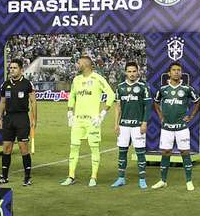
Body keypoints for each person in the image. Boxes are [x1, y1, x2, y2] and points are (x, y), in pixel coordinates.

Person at [63, 55, 115, 186]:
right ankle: (71, 176)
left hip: (92, 121)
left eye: (79, 63)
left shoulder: (97, 78)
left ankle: (93, 177)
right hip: (78, 121)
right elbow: (72, 96)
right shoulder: (76, 79)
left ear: (86, 64)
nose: (77, 65)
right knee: (73, 147)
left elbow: (111, 94)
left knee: (94, 148)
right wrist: (70, 112)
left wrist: (102, 113)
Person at [152, 62, 199, 190]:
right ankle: (163, 180)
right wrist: (161, 116)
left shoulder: (187, 89)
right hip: (166, 127)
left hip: (182, 127)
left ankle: (189, 181)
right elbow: (155, 102)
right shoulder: (163, 89)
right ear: (169, 73)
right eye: (174, 70)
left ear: (181, 72)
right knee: (166, 152)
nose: (176, 72)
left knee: (185, 152)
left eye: (179, 70)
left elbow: (197, 101)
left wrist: (191, 116)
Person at [0, 58, 36, 185]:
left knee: (23, 148)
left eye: (15, 68)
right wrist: (0, 118)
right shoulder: (5, 84)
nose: (12, 70)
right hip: (8, 119)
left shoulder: (27, 84)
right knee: (6, 148)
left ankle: (27, 177)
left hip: (22, 118)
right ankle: (4, 176)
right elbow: (2, 102)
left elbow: (33, 101)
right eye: (11, 68)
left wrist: (34, 119)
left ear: (21, 70)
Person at [112, 61, 150, 188]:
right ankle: (121, 178)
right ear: (125, 72)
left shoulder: (143, 87)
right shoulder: (120, 87)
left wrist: (144, 122)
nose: (132, 74)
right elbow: (117, 107)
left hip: (138, 125)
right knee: (122, 151)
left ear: (138, 71)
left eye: (134, 71)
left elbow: (147, 107)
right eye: (129, 71)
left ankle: (142, 179)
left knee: (140, 152)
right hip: (124, 125)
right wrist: (116, 124)